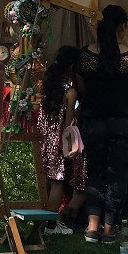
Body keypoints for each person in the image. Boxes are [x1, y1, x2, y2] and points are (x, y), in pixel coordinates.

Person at [78, 4, 128, 245]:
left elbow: (82, 91)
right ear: (122, 28)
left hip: (94, 121)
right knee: (119, 174)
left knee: (95, 173)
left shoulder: (85, 56)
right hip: (125, 122)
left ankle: (92, 227)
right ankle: (110, 229)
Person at [36, 46, 87, 234]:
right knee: (57, 181)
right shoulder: (70, 92)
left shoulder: (48, 85)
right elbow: (68, 124)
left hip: (43, 138)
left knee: (45, 180)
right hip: (58, 141)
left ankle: (40, 220)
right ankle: (50, 223)